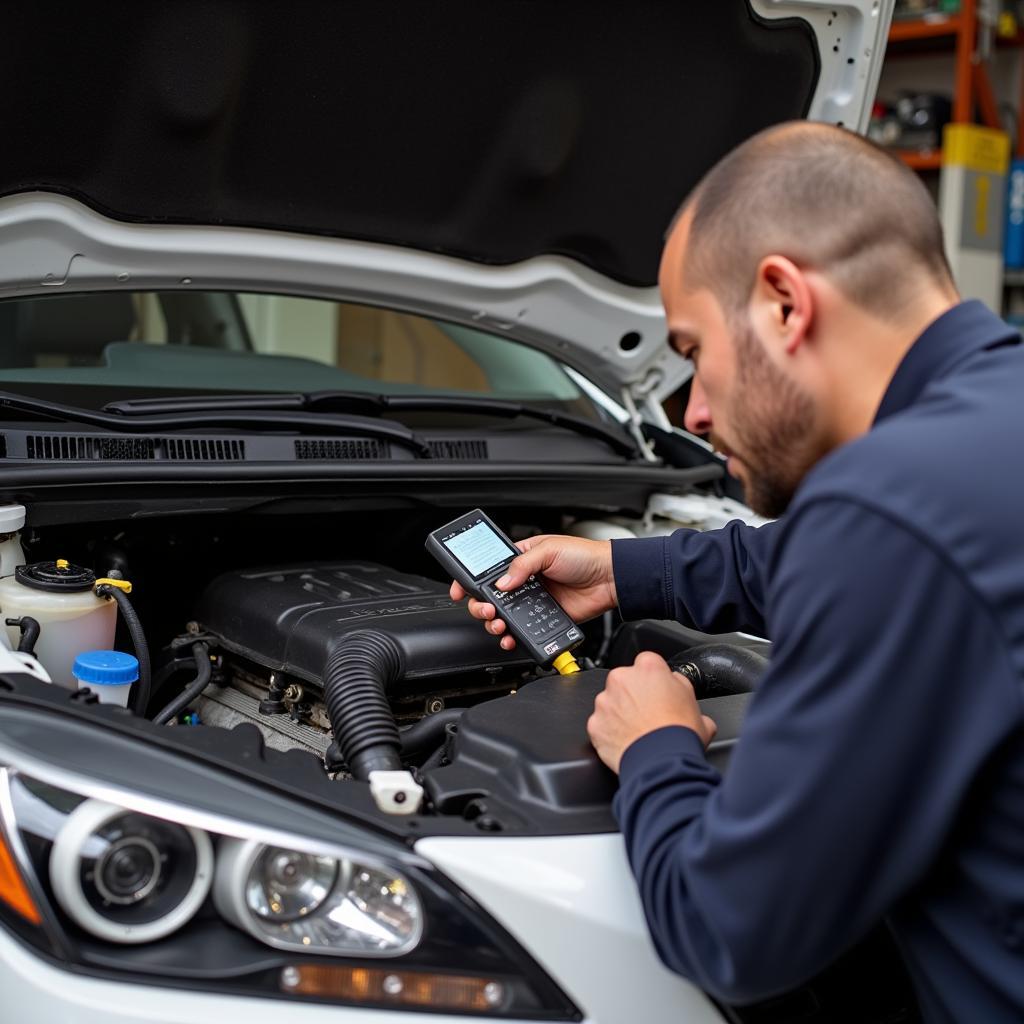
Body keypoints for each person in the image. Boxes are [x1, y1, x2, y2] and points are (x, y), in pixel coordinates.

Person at [450, 122, 1024, 1021]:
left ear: (785, 304)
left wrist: (656, 750)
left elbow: (730, 930)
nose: (697, 410)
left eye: (692, 354)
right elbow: (811, 554)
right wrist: (618, 571)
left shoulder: (890, 510)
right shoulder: (986, 430)